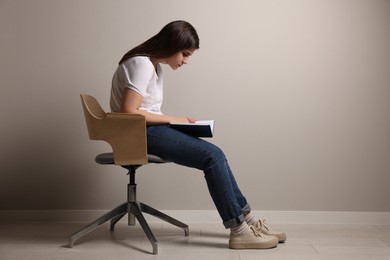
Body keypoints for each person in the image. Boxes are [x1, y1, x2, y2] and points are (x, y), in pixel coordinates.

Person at [110, 20, 286, 249]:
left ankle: (249, 222)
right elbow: (128, 112)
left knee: (216, 155)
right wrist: (175, 119)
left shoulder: (153, 66)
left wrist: (177, 123)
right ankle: (239, 231)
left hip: (147, 131)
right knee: (212, 157)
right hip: (136, 134)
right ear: (171, 45)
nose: (185, 61)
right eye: (184, 54)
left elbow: (146, 111)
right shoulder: (142, 63)